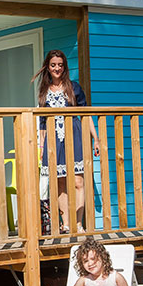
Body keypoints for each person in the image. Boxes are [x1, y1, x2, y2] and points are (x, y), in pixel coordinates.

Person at [33, 50, 99, 233]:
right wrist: (41, 146)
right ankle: (67, 223)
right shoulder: (44, 91)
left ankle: (78, 224)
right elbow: (42, 123)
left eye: (60, 65)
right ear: (48, 67)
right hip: (53, 139)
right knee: (60, 182)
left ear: (64, 67)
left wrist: (96, 139)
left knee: (78, 181)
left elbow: (86, 114)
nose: (57, 68)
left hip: (74, 134)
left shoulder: (74, 87)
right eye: (53, 65)